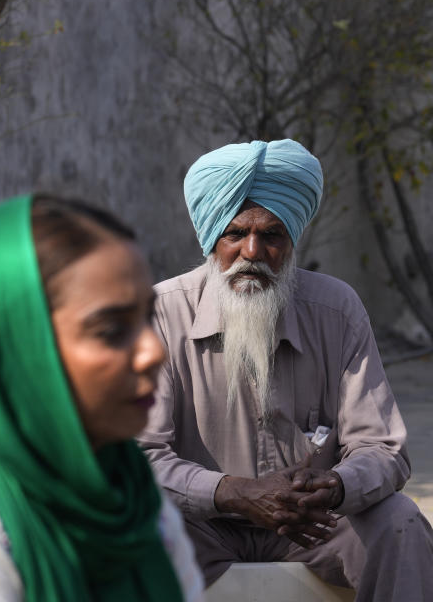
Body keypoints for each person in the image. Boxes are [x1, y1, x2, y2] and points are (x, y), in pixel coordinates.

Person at [0, 195, 204, 601]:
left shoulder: (135, 503)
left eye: (147, 319)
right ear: (18, 349)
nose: (154, 351)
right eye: (112, 330)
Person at [138, 139, 433, 600]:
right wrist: (233, 493)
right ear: (211, 238)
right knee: (120, 529)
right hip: (199, 527)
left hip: (312, 525)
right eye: (235, 234)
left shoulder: (336, 309)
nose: (252, 251)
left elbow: (382, 447)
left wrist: (335, 485)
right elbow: (137, 458)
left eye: (271, 235)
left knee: (401, 523)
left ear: (291, 242)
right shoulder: (160, 314)